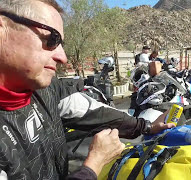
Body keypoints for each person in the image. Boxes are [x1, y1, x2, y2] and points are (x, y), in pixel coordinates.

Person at [0, 1, 174, 179]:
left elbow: (96, 113)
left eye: (61, 44)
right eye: (51, 39)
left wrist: (145, 126)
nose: (63, 57)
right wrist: (94, 164)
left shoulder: (46, 90)